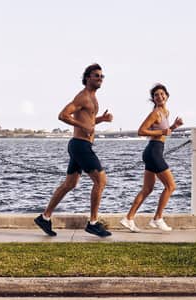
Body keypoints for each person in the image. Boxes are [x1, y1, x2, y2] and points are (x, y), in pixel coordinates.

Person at [34, 63, 114, 238]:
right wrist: (82, 125)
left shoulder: (93, 98)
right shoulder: (83, 97)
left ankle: (44, 217)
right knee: (100, 181)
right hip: (80, 145)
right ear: (87, 78)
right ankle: (93, 223)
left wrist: (101, 119)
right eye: (96, 76)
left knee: (70, 184)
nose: (100, 78)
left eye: (102, 76)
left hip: (80, 145)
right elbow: (63, 115)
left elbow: (88, 120)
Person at [119, 83, 184, 233]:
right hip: (153, 151)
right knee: (171, 186)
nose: (159, 97)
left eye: (162, 94)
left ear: (167, 96)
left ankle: (128, 219)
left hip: (154, 151)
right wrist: (164, 130)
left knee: (147, 189)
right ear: (153, 99)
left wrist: (174, 126)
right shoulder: (155, 113)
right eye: (156, 95)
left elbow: (164, 132)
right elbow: (141, 131)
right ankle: (157, 218)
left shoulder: (165, 113)